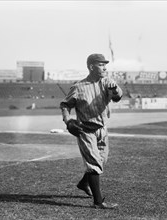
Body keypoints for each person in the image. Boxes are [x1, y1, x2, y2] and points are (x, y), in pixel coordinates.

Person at [60, 53, 123, 209]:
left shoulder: (107, 82)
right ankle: (98, 201)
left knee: (101, 161)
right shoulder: (78, 87)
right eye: (101, 64)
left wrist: (114, 90)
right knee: (94, 163)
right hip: (86, 129)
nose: (104, 67)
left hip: (103, 130)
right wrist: (68, 121)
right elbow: (65, 105)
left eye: (105, 64)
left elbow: (117, 97)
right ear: (91, 67)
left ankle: (83, 183)